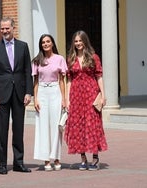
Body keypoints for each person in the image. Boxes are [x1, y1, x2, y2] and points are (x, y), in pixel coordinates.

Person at [0, 17, 33, 175]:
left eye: (7, 28)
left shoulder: (23, 46)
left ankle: (18, 163)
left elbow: (28, 71)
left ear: (13, 28)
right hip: (1, 95)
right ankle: (2, 164)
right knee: (2, 130)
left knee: (18, 129)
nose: (5, 31)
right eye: (2, 29)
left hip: (20, 94)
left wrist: (29, 92)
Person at [65, 30, 108, 171]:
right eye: (76, 41)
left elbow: (99, 76)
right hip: (76, 95)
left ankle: (95, 158)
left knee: (93, 124)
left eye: (80, 41)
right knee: (79, 126)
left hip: (91, 93)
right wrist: (67, 98)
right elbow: (69, 79)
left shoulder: (93, 57)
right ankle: (83, 159)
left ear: (85, 41)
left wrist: (103, 94)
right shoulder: (70, 58)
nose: (78, 43)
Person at [32, 34, 67, 171]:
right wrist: (35, 98)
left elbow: (62, 81)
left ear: (52, 43)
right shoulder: (37, 60)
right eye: (43, 42)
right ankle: (46, 159)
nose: (45, 44)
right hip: (42, 92)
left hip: (55, 92)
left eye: (48, 41)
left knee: (56, 127)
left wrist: (64, 99)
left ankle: (57, 157)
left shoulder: (60, 59)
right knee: (43, 126)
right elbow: (35, 81)